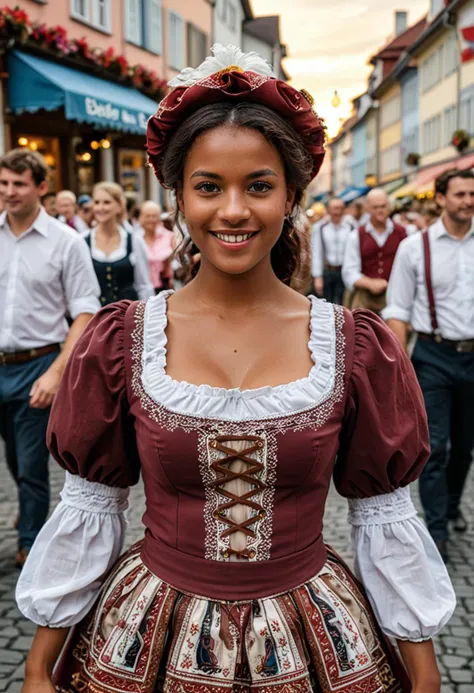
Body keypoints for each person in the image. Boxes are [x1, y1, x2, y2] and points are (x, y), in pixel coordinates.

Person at [17, 45, 454, 693]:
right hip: (151, 628)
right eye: (207, 186)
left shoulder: (354, 345)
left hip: (312, 625)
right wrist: (36, 667)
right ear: (178, 197)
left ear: (291, 196)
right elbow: (91, 506)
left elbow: (384, 514)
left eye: (258, 185)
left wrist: (423, 676)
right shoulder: (124, 339)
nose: (232, 212)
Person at [0, 148, 100, 568]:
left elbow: (86, 311)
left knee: (31, 462)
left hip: (39, 364)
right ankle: (28, 513)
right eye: (3, 183)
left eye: (19, 184)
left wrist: (57, 372)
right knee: (12, 456)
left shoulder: (67, 242)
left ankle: (29, 543)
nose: (9, 192)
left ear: (41, 187)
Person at [383, 168, 474, 563]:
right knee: (435, 446)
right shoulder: (414, 247)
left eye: (472, 194)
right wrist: (398, 371)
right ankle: (436, 531)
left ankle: (452, 503)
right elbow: (399, 310)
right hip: (432, 355)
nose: (468, 201)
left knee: (465, 447)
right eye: (460, 194)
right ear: (440, 199)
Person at [82, 182, 154, 305]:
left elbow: (143, 285)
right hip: (95, 316)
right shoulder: (83, 240)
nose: (101, 208)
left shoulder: (134, 240)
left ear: (119, 206)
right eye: (97, 202)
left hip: (128, 316)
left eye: (107, 202)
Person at [342, 188, 406, 314]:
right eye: (375, 207)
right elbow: (349, 271)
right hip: (365, 297)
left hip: (395, 296)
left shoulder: (403, 232)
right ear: (368, 208)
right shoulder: (356, 235)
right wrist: (370, 283)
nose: (380, 211)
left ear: (388, 206)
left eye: (383, 206)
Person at [311, 197, 352, 304]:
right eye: (334, 208)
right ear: (329, 209)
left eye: (339, 208)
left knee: (344, 305)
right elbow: (317, 253)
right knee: (326, 304)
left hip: (345, 271)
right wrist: (317, 277)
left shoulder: (351, 227)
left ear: (343, 209)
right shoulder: (320, 227)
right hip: (327, 271)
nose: (336, 212)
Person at [139, 200, 175, 292]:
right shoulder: (135, 238)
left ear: (159, 218)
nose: (151, 219)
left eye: (154, 216)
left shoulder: (170, 237)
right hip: (140, 288)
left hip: (164, 287)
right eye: (147, 216)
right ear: (141, 217)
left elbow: (177, 263)